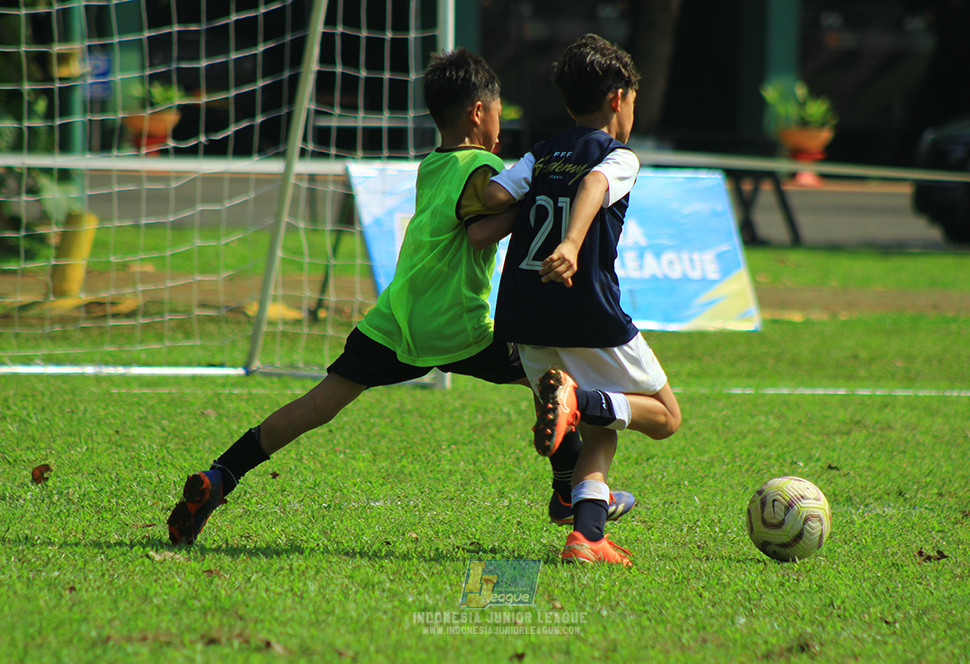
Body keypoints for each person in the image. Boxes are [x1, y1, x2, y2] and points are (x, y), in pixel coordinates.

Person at [166, 47, 635, 546]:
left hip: (396, 316)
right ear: (479, 112)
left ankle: (221, 475)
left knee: (318, 404)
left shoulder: (434, 162)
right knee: (552, 383)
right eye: (498, 113)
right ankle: (567, 492)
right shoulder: (481, 165)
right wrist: (536, 201)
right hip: (456, 323)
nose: (500, 126)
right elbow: (480, 234)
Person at [482, 34, 683, 566]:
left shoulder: (542, 153)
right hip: (584, 310)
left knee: (603, 428)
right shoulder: (618, 156)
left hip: (525, 314)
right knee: (665, 417)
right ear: (618, 99)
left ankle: (588, 537)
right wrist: (571, 244)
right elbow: (594, 183)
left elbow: (495, 194)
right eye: (633, 101)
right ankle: (580, 400)